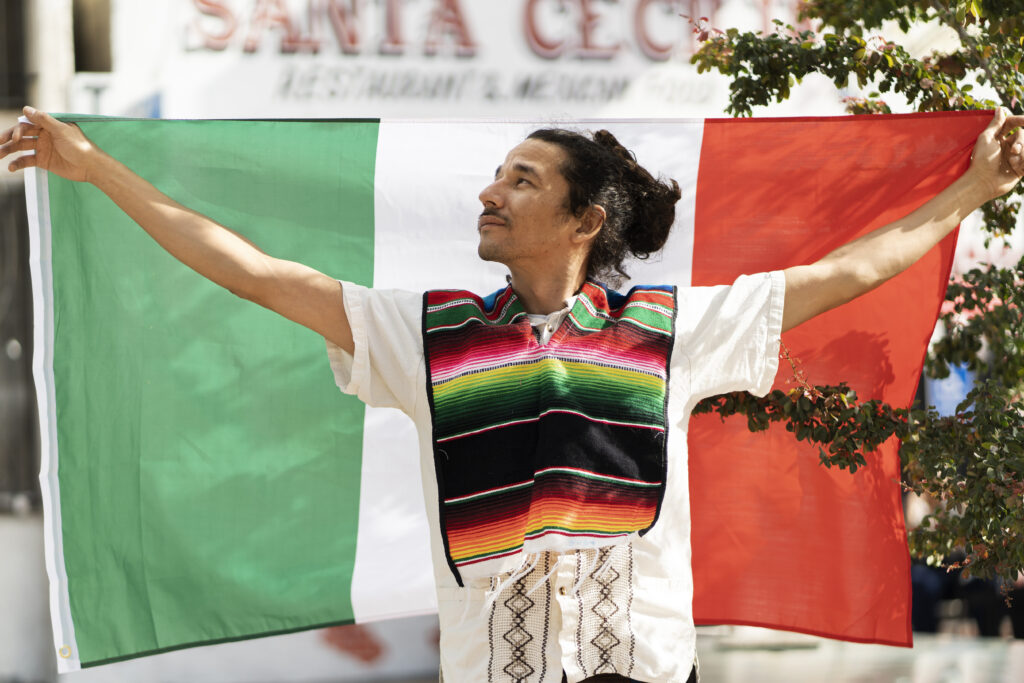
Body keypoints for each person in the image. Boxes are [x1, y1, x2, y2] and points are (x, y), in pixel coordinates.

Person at [3, 107, 1023, 683]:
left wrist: (973, 191)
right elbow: (254, 273)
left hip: (648, 671)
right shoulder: (429, 329)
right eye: (495, 173)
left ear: (584, 217)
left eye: (522, 179)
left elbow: (845, 273)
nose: (490, 192)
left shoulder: (669, 327)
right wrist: (99, 173)